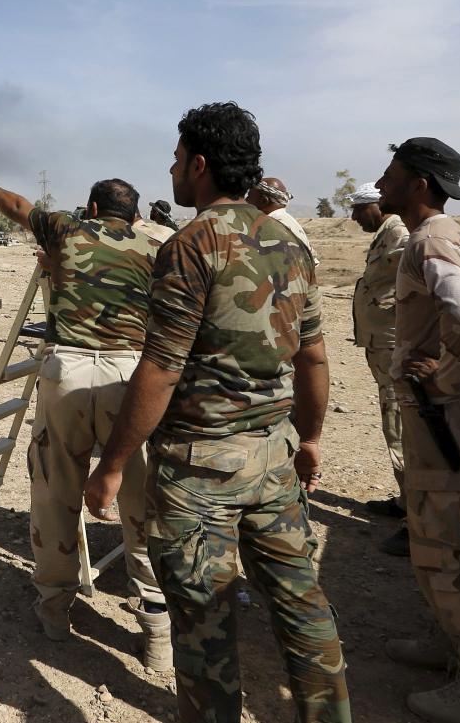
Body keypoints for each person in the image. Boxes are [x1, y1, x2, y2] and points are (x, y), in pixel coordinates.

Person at [84, 102, 350, 723]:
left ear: (199, 165)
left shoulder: (192, 243)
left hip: (200, 472)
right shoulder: (289, 241)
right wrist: (309, 438)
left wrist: (114, 463)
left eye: (177, 159)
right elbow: (313, 358)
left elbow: (161, 367)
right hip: (274, 460)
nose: (172, 169)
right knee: (303, 610)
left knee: (205, 631)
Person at [0, 173, 172, 671]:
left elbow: (18, 205)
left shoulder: (66, 229)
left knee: (56, 490)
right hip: (132, 376)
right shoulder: (157, 247)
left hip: (69, 372)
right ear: (135, 214)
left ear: (94, 209)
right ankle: (158, 634)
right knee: (141, 500)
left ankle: (55, 612)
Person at [376, 138, 460, 722]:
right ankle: (449, 643)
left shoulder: (429, 237)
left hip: (449, 418)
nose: (381, 186)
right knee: (435, 542)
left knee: (451, 549)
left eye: (391, 175)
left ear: (418, 184)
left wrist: (450, 375)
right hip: (447, 415)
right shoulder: (448, 234)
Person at [347, 181, 414, 555]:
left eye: (359, 209)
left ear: (377, 206)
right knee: (395, 424)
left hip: (395, 348)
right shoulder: (386, 234)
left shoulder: (401, 233)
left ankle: (417, 522)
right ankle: (406, 502)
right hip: (383, 347)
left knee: (401, 427)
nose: (355, 217)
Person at [247, 176, 319, 265]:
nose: (246, 201)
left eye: (249, 197)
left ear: (263, 201)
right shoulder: (287, 221)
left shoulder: (273, 226)